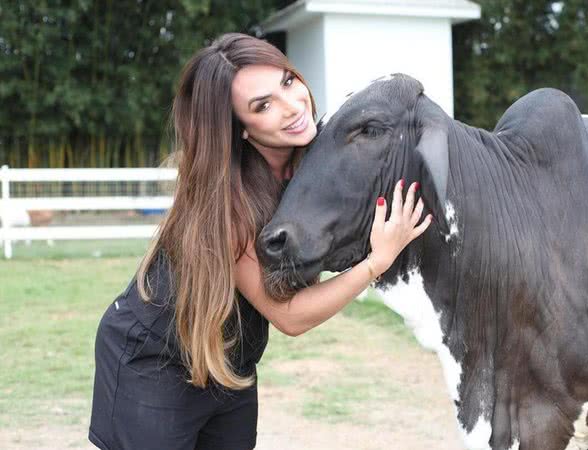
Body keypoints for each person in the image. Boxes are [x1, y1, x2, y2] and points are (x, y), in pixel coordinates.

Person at [88, 32, 431, 450]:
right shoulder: (227, 203)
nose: (291, 107)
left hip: (230, 360)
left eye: (287, 82)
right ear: (242, 130)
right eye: (263, 106)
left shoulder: (314, 159)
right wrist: (377, 262)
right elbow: (289, 315)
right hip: (155, 360)